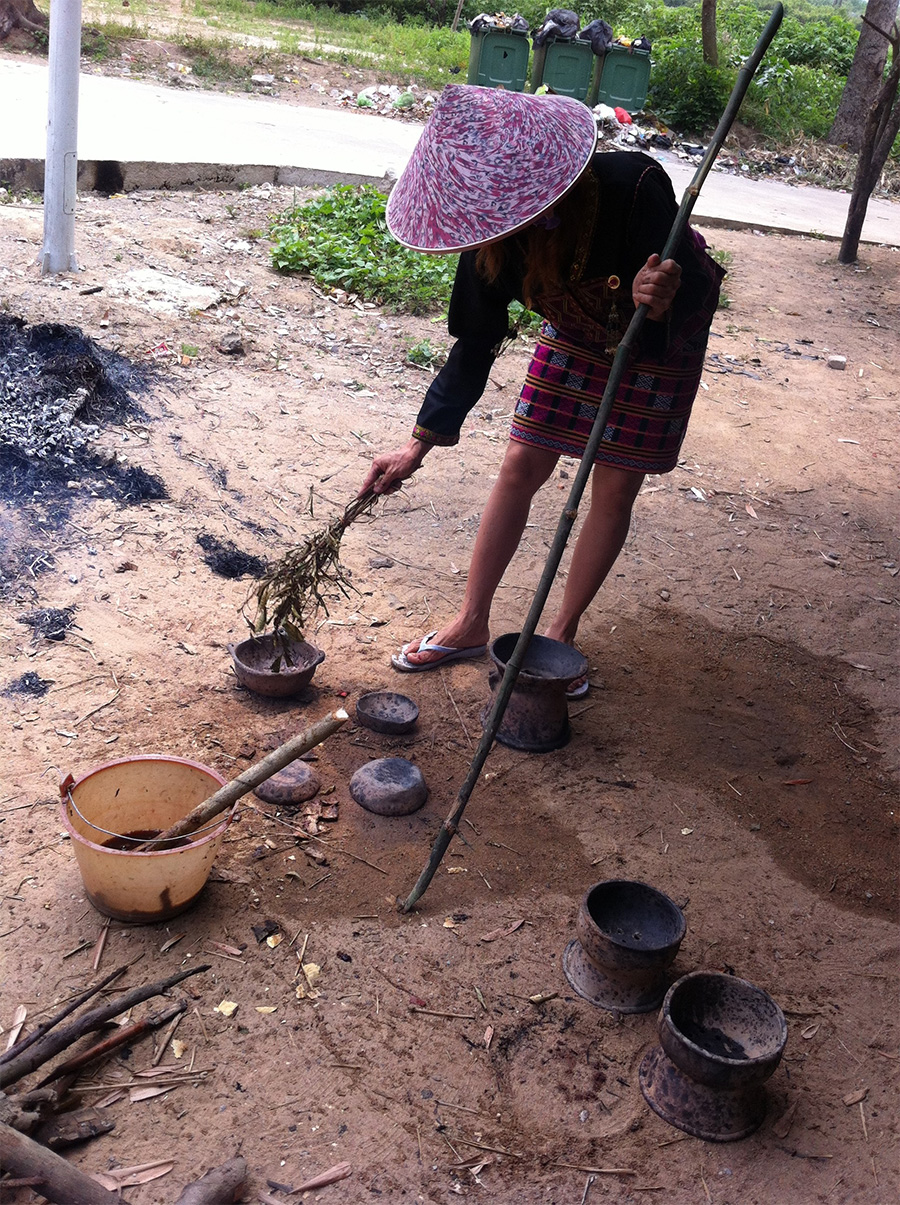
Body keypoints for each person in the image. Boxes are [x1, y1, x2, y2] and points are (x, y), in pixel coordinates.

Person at [360, 85, 723, 695]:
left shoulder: (634, 185)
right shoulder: (489, 236)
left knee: (614, 485)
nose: (499, 228)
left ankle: (559, 635)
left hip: (658, 341)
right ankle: (472, 621)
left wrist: (659, 295)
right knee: (522, 462)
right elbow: (475, 343)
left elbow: (681, 283)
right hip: (575, 331)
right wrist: (416, 447)